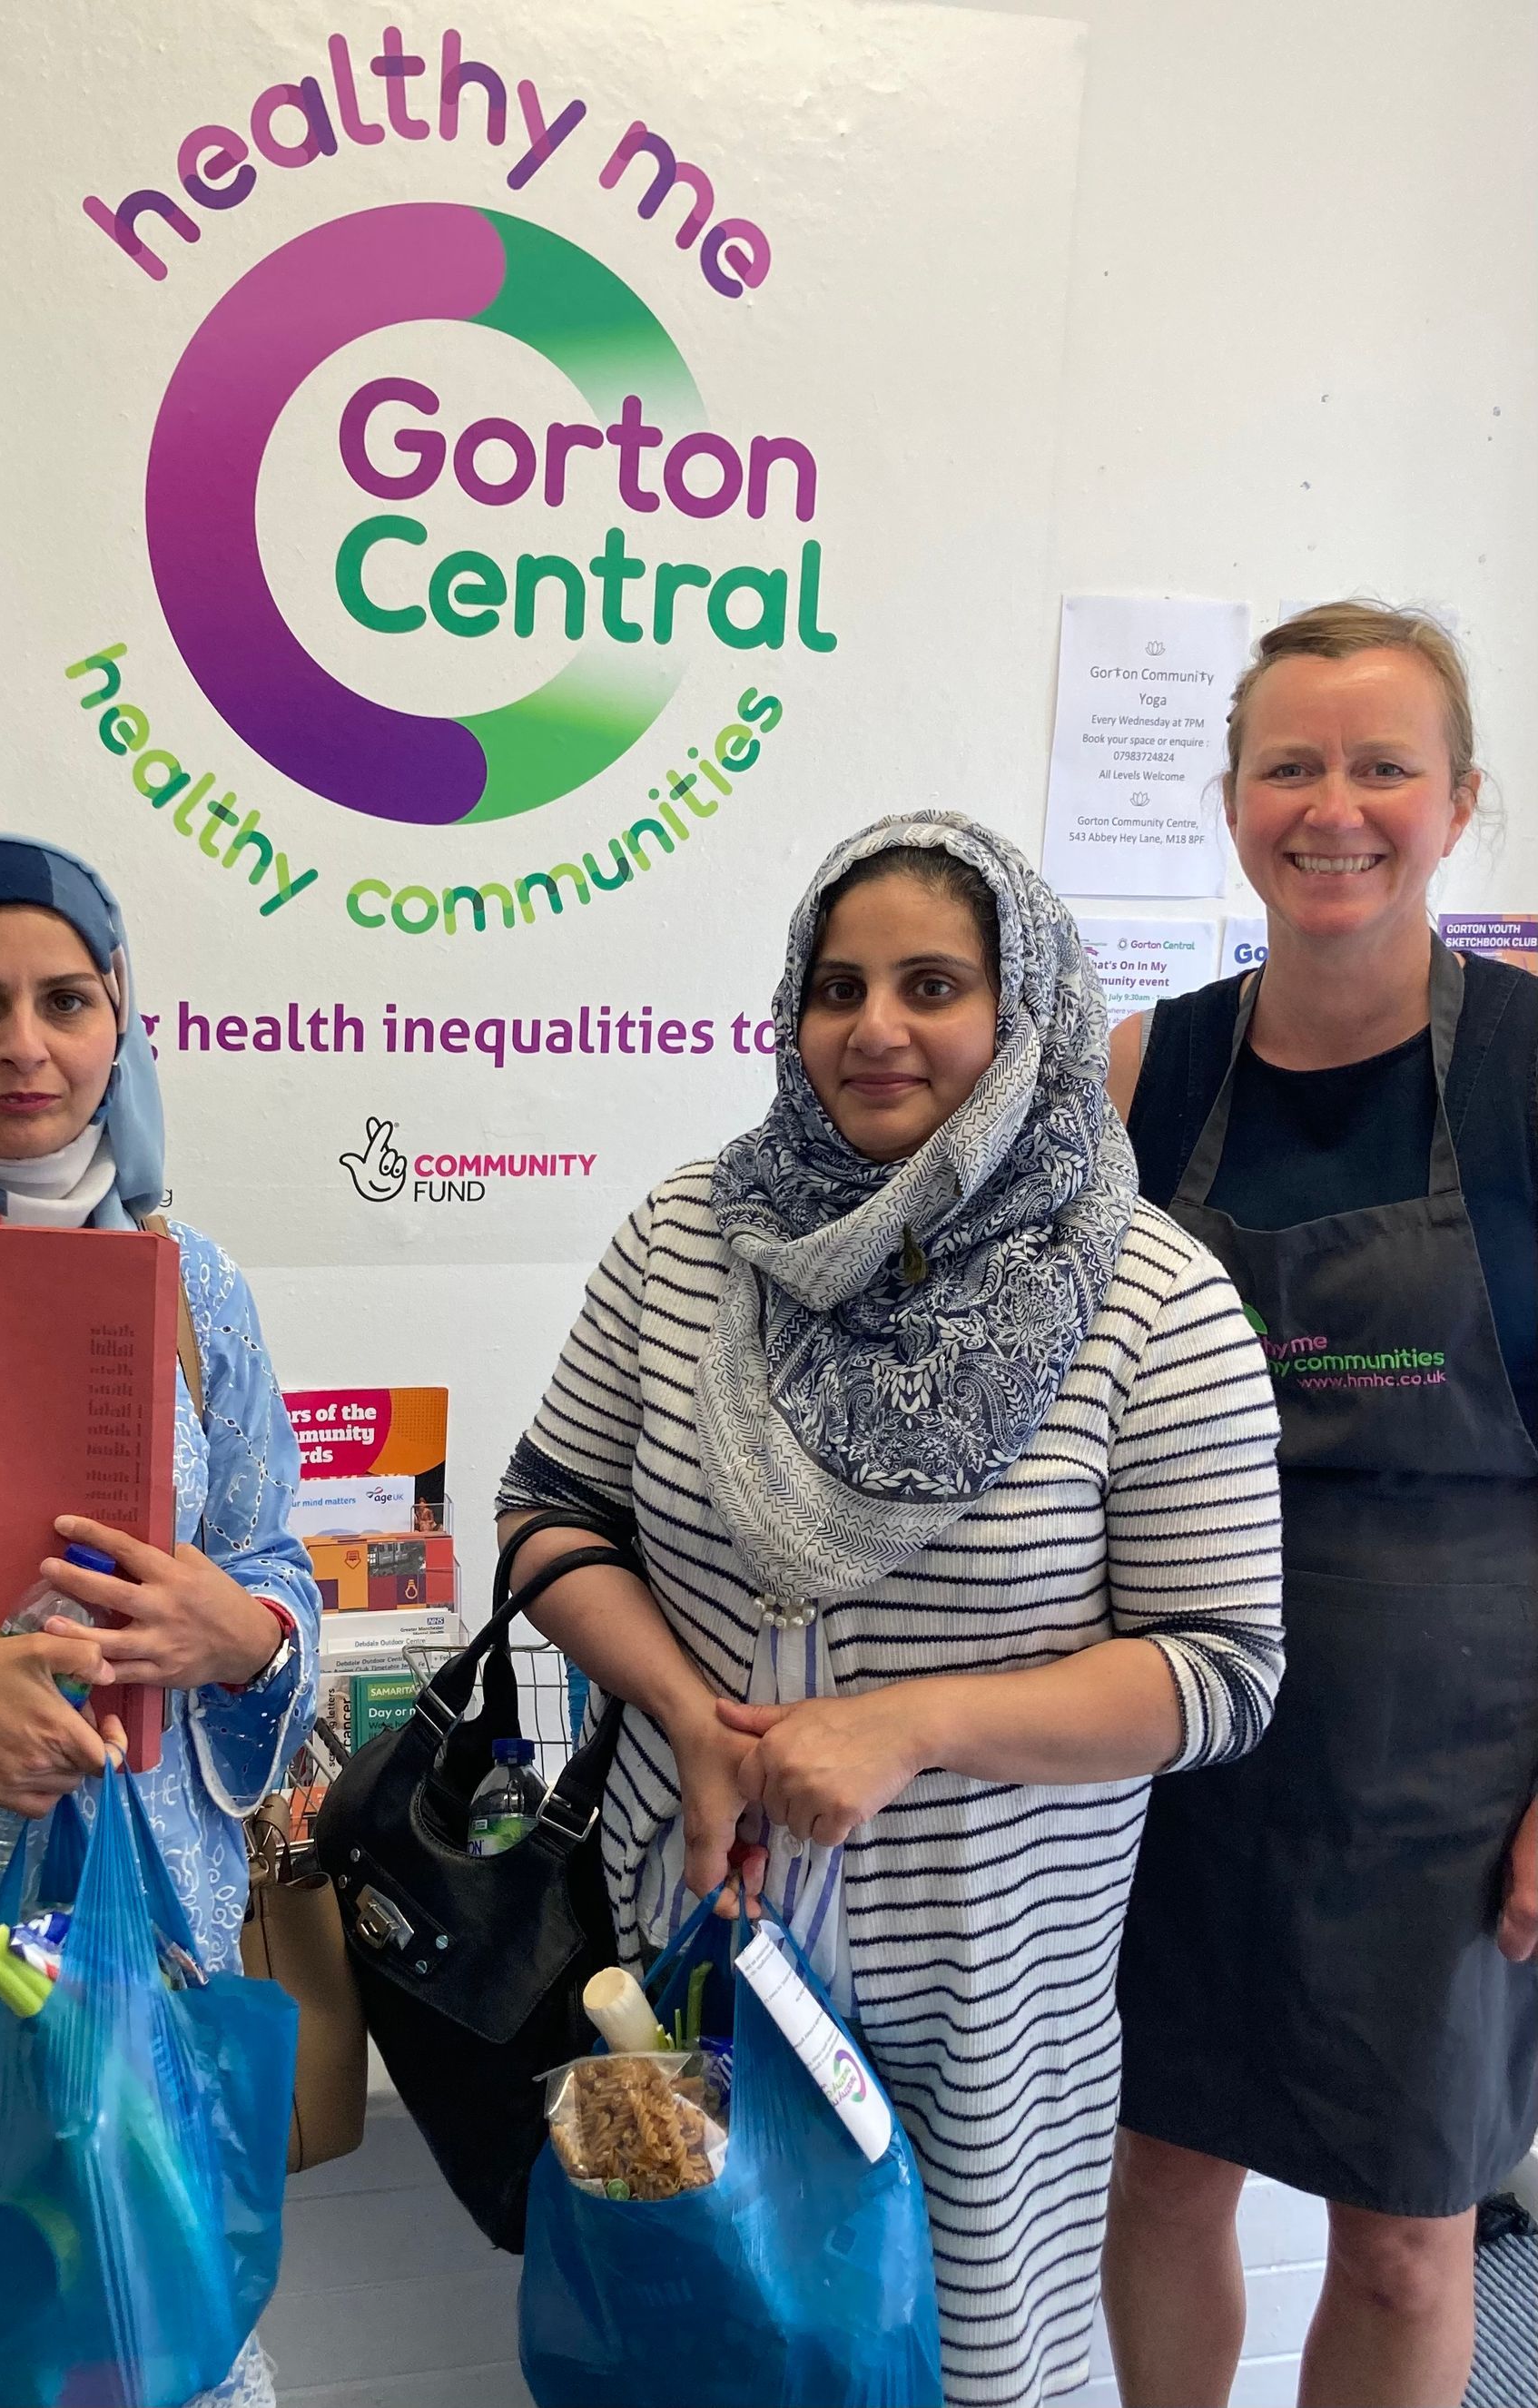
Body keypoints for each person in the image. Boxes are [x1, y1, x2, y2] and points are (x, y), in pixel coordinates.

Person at [498, 812, 1284, 2407]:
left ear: (1025, 1014)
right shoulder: (684, 1240)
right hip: (694, 1950)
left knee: (960, 2366)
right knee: (708, 2345)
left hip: (987, 1991)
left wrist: (913, 1724)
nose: (876, 1027)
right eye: (838, 984)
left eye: (935, 982)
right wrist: (683, 1715)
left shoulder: (1148, 1294)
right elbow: (549, 1514)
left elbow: (1223, 1670)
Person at [0, 835, 320, 2408]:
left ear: (122, 1022)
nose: (25, 1045)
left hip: (139, 1936)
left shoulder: (191, 1287)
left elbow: (277, 1565)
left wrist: (237, 1628)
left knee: (138, 2325)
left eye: (66, 999)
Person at [1102, 604, 1538, 2408]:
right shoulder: (1148, 1073)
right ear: (1232, 800)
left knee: (1408, 2231)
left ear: (1460, 801)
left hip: (1443, 1758)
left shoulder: (1529, 1068)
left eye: (1382, 766)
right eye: (1292, 763)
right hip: (1171, 1724)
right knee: (1159, 2165)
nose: (1333, 805)